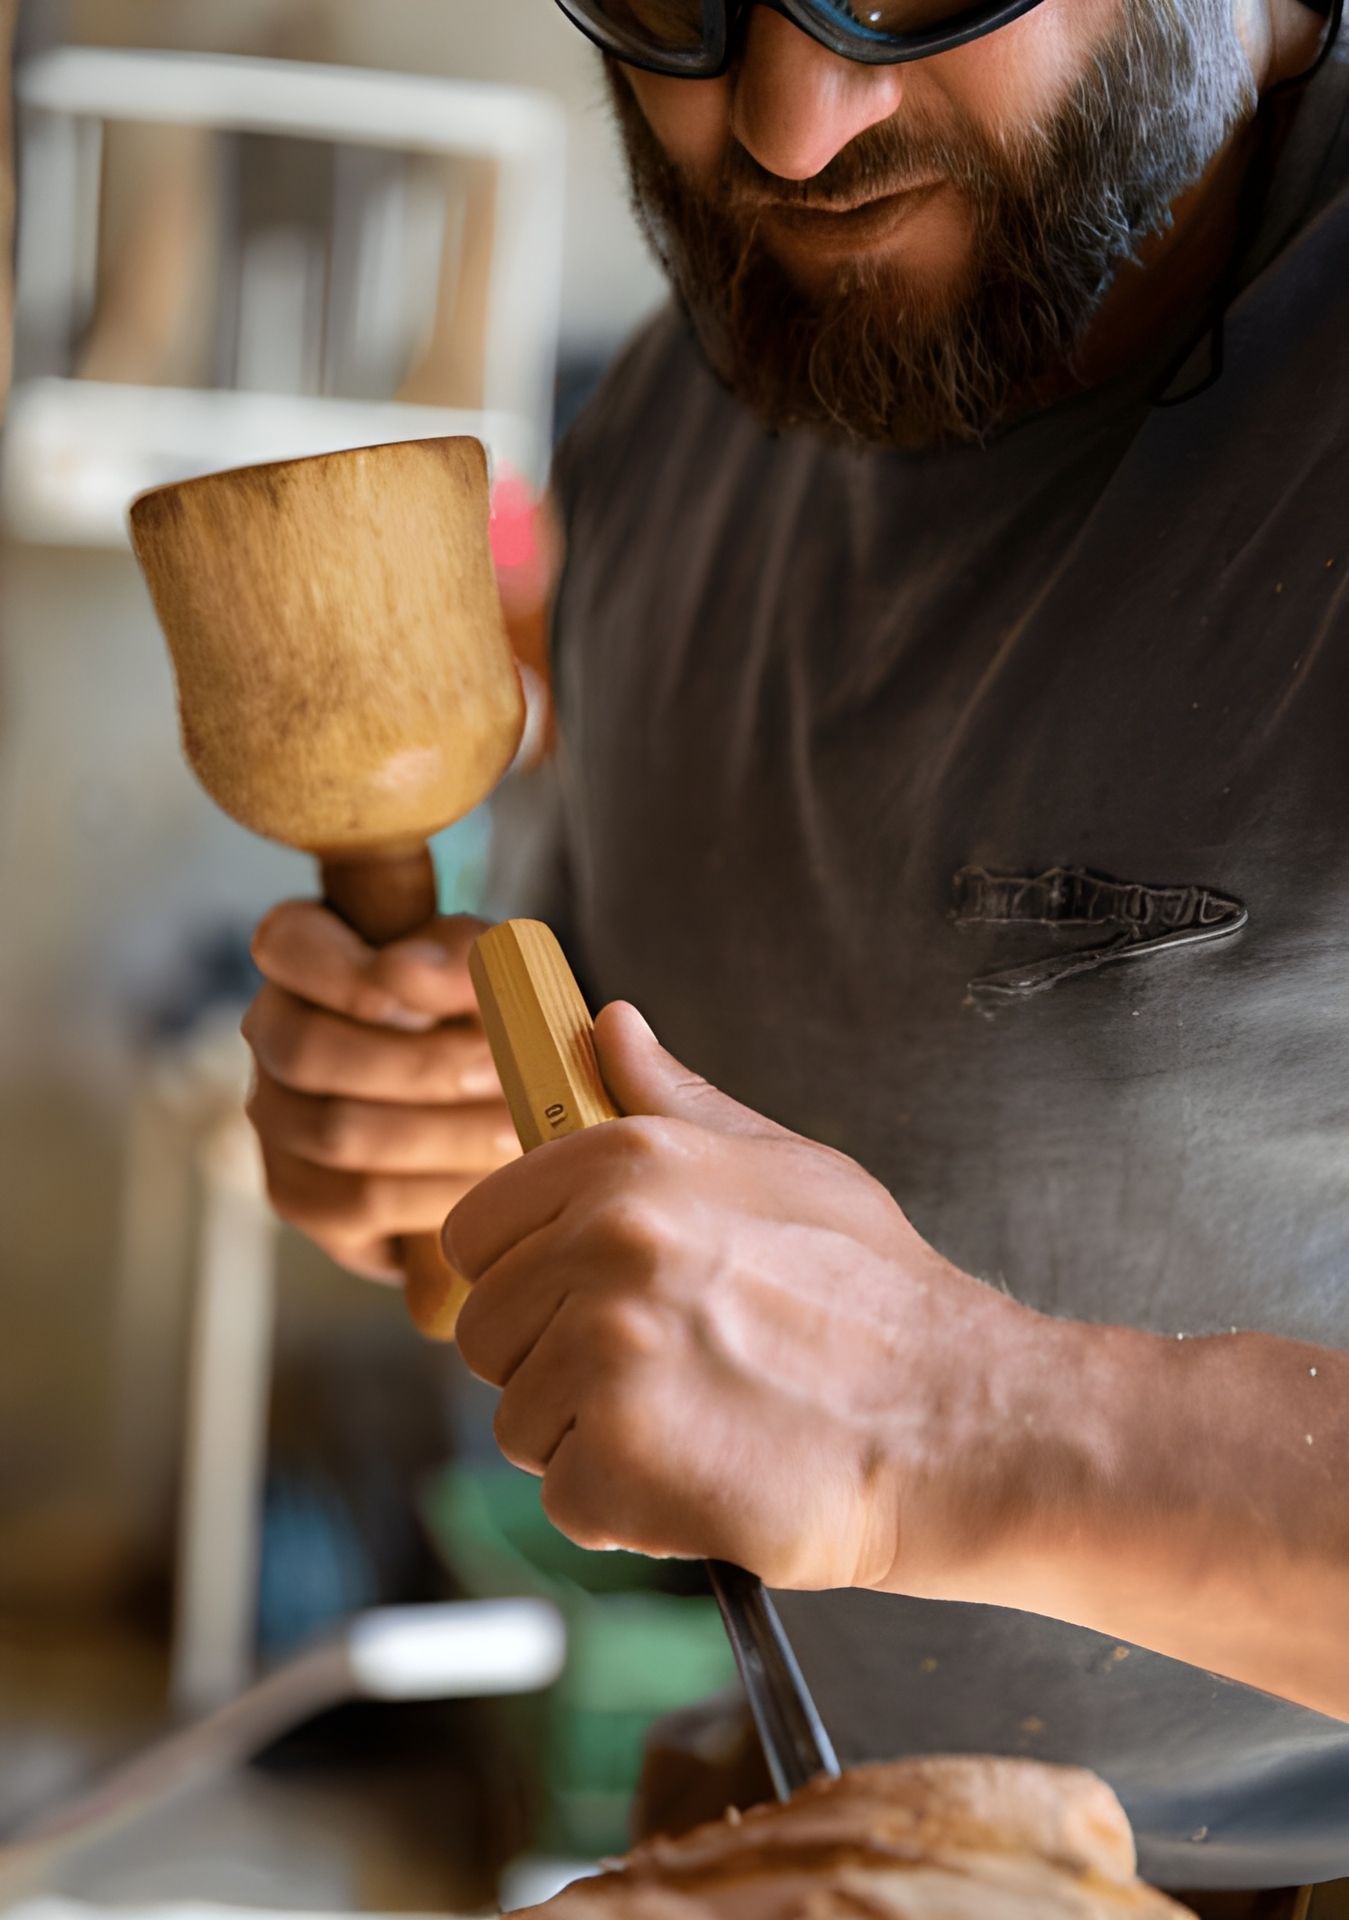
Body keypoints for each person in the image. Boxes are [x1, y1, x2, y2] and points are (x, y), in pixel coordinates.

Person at [240, 0, 1349, 1910]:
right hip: (826, 1829)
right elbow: (625, 1192)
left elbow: (875, 1385)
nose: (787, 126)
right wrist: (445, 1170)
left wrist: (952, 1419)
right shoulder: (674, 434)